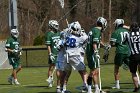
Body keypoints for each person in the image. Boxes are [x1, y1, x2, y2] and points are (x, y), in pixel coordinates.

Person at [61, 21, 88, 93]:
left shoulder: (67, 35)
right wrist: (78, 33)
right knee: (84, 71)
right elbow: (86, 38)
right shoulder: (80, 37)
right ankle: (86, 85)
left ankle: (63, 89)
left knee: (67, 73)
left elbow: (62, 34)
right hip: (75, 56)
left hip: (66, 56)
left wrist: (68, 30)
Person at [86, 17, 107, 93]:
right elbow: (94, 43)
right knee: (94, 71)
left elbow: (97, 41)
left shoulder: (93, 30)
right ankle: (90, 88)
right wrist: (96, 52)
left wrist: (104, 45)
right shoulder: (97, 31)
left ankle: (96, 88)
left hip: (90, 52)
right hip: (92, 53)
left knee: (95, 71)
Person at [110, 19, 130, 89]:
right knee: (132, 68)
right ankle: (138, 82)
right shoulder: (127, 31)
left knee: (116, 68)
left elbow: (112, 43)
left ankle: (117, 85)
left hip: (120, 51)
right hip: (128, 51)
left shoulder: (116, 32)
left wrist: (115, 44)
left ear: (117, 24)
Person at [123, 22, 140, 92]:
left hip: (133, 56)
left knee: (133, 72)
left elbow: (124, 42)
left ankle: (136, 88)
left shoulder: (128, 35)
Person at [45, 20, 60, 88]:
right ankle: (50, 82)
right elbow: (48, 45)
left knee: (59, 69)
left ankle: (59, 82)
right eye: (56, 25)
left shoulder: (59, 33)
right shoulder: (49, 34)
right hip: (53, 53)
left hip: (59, 54)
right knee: (51, 68)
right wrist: (50, 54)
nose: (57, 27)